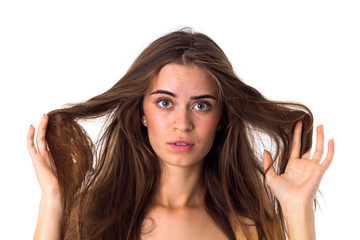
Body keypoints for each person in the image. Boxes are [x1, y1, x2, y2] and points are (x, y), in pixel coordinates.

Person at [27, 28, 334, 240]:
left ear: (222, 117)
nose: (182, 123)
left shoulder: (248, 227)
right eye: (165, 103)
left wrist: (297, 210)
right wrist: (53, 197)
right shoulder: (95, 215)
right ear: (141, 114)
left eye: (201, 105)